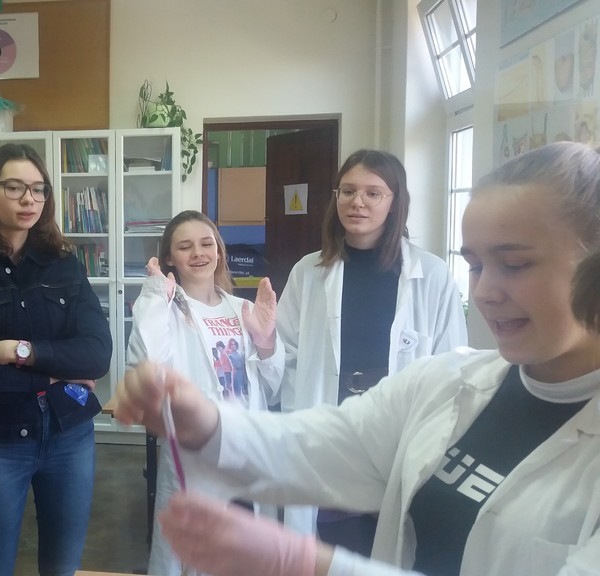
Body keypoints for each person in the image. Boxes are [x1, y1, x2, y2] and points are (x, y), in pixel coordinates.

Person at [114, 141, 600, 576]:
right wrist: (208, 423)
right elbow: (330, 443)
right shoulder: (452, 384)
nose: (486, 291)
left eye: (515, 264)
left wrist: (307, 563)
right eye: (474, 265)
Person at [275, 149, 467, 551]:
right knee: (332, 547)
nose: (357, 202)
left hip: (399, 434)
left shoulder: (431, 275)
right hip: (333, 431)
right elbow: (286, 354)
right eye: (347, 191)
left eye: (372, 193)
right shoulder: (308, 272)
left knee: (392, 546)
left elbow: (453, 366)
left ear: (395, 202)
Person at [0, 143, 113, 576]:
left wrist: (22, 352)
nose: (29, 199)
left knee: (62, 567)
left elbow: (97, 354)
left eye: (38, 189)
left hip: (69, 433)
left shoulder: (64, 265)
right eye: (14, 187)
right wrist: (53, 375)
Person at [125, 209, 282, 576]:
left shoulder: (243, 309)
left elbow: (273, 386)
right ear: (169, 258)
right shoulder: (165, 309)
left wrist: (266, 341)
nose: (198, 253)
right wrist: (154, 297)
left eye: (206, 243)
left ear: (219, 251)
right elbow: (146, 368)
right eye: (185, 246)